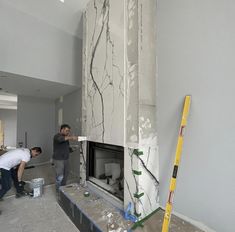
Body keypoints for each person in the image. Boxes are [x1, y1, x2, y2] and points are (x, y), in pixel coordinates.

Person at [0, 147, 42, 214]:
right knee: (7, 186)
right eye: (36, 154)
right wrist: (19, 180)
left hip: (4, 163)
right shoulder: (27, 155)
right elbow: (21, 168)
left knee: (14, 175)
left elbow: (16, 160)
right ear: (34, 150)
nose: (35, 156)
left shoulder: (25, 150)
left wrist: (18, 177)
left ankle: (20, 191)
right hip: (3, 166)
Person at [53, 124, 77, 192]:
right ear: (62, 129)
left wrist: (72, 149)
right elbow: (60, 140)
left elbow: (66, 148)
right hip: (59, 160)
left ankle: (63, 189)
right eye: (67, 131)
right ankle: (58, 192)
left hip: (66, 159)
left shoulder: (66, 138)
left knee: (66, 175)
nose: (68, 132)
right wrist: (71, 137)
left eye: (68, 131)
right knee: (60, 176)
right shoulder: (57, 136)